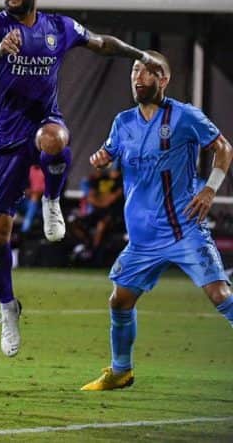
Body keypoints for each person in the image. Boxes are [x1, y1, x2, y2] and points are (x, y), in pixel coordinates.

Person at [0, 0, 166, 358]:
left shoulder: (58, 27)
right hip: (5, 138)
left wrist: (137, 55)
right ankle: (7, 308)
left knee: (55, 138)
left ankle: (53, 200)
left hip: (43, 125)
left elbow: (100, 43)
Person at [81, 51, 233, 390]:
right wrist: (102, 158)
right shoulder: (122, 122)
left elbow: (223, 148)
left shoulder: (184, 117)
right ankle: (121, 371)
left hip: (183, 229)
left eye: (149, 72)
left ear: (163, 80)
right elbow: (109, 151)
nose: (140, 76)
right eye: (136, 69)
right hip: (142, 240)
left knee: (220, 295)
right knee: (119, 300)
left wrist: (210, 189)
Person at [70, 165, 123, 264]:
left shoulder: (120, 182)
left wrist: (100, 201)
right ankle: (86, 243)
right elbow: (91, 197)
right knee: (74, 222)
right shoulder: (99, 180)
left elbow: (111, 199)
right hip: (96, 212)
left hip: (112, 213)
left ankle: (94, 251)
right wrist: (101, 201)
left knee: (101, 225)